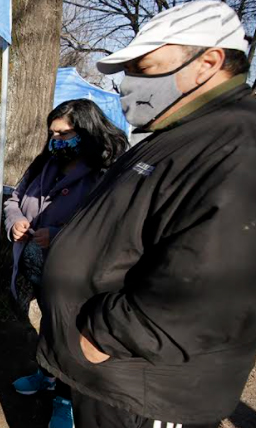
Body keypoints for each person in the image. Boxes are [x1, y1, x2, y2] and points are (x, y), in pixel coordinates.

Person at [36, 2, 256, 428]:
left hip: (145, 387)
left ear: (207, 63)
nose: (127, 83)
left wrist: (105, 335)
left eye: (146, 66)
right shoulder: (181, 133)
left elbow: (211, 290)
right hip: (115, 378)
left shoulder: (236, 144)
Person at [4, 99, 128, 428]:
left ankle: (66, 399)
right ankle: (46, 373)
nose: (57, 139)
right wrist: (14, 221)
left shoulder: (107, 173)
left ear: (87, 130)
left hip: (77, 276)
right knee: (49, 325)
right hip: (37, 268)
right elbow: (14, 199)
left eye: (65, 133)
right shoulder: (45, 164)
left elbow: (109, 226)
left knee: (72, 337)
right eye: (53, 133)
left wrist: (58, 235)